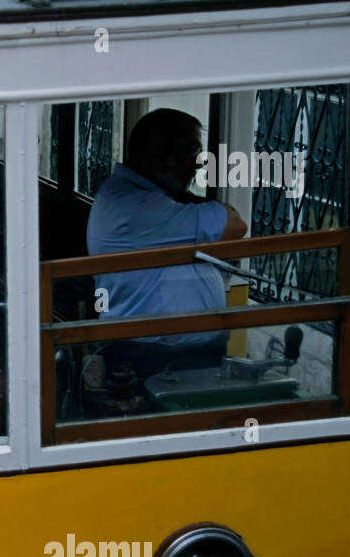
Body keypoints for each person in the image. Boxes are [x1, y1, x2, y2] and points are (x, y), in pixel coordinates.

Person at [86, 108, 247, 377]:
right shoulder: (140, 207)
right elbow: (235, 225)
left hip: (172, 351)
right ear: (157, 147)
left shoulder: (142, 196)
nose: (199, 163)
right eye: (193, 149)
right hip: (155, 356)